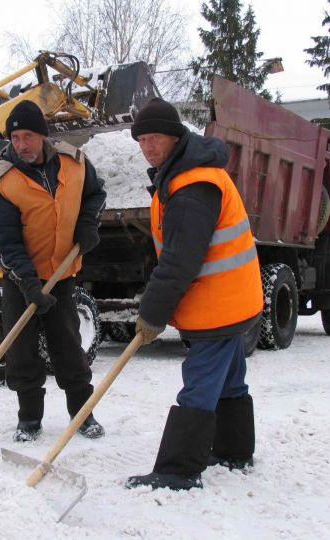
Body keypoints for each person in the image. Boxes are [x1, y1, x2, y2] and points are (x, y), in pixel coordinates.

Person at [125, 98, 263, 491]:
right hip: (232, 297)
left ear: (174, 137)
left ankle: (177, 470)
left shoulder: (192, 187)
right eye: (143, 140)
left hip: (217, 304)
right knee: (231, 379)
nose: (149, 147)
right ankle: (235, 451)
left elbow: (179, 261)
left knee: (200, 384)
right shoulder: (186, 173)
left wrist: (152, 313)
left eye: (156, 138)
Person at [0, 100, 107, 442]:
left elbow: (95, 196)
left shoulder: (75, 162)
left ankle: (82, 415)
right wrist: (27, 282)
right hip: (21, 281)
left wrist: (88, 225)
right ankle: (29, 420)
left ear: (42, 135)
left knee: (68, 347)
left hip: (63, 276)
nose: (20, 144)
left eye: (27, 136)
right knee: (21, 351)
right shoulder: (4, 179)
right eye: (15, 137)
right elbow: (3, 240)